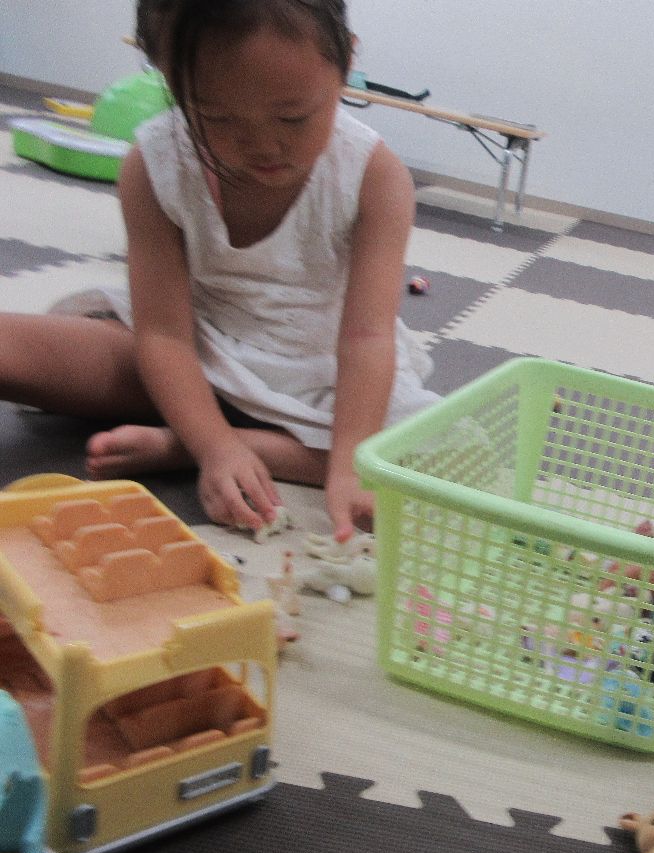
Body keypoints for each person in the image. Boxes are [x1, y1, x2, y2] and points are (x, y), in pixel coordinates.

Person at [0, 0, 438, 540]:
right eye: (217, 119)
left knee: (422, 454)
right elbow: (163, 335)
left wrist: (349, 467)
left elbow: (368, 338)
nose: (263, 146)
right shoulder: (152, 166)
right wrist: (215, 445)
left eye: (293, 117)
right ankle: (218, 435)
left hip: (324, 374)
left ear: (346, 62)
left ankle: (198, 444)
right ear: (167, 75)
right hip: (193, 353)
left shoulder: (375, 176)